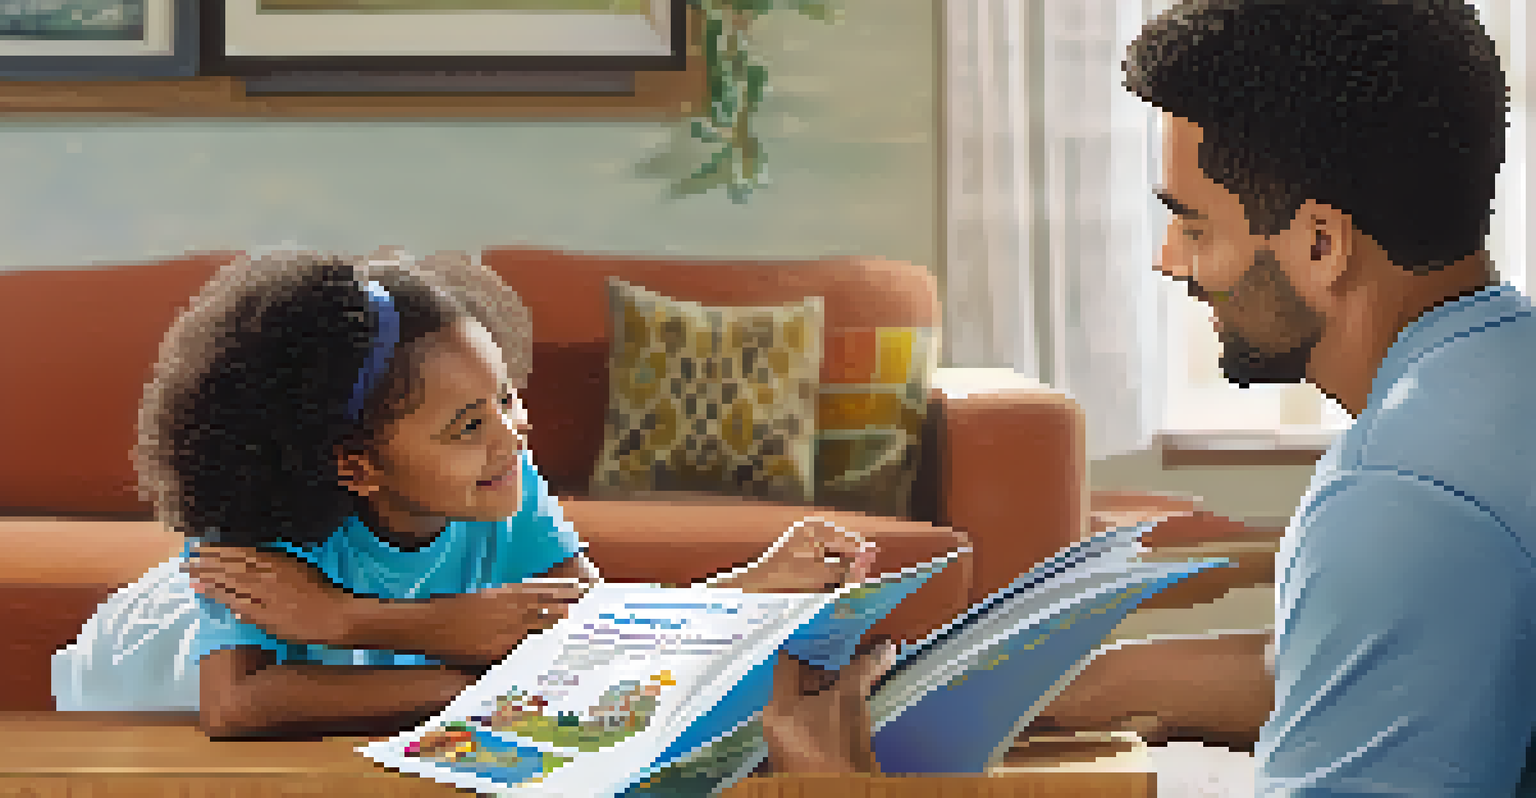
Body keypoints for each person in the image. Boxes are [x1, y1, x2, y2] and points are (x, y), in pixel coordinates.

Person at [58, 247, 884, 762]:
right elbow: (238, 703)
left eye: (507, 401)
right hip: (149, 673)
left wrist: (755, 582)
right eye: (467, 424)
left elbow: (591, 633)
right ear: (355, 465)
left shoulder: (503, 484)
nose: (512, 439)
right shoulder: (259, 529)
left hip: (361, 662)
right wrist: (477, 668)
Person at [1114, 0, 1536, 793]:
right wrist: (1095, 682)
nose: (1169, 262)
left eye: (1195, 227)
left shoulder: (1400, 491)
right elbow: (1402, 662)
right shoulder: (1506, 376)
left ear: (1321, 243)